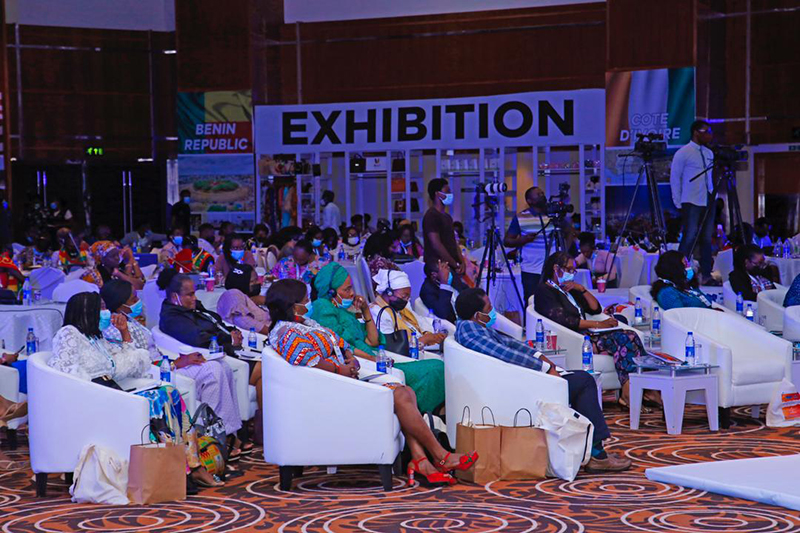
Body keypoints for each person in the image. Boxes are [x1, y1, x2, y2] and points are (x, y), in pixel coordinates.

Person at [267, 279, 476, 484]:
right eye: (306, 299)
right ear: (294, 306)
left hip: (345, 382)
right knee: (402, 395)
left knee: (405, 392)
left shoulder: (304, 323)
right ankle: (440, 456)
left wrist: (349, 358)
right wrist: (339, 369)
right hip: (331, 392)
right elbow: (306, 359)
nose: (309, 302)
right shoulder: (286, 332)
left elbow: (339, 343)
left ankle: (421, 459)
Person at [56, 289, 222, 488]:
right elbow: (66, 374)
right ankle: (178, 472)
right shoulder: (68, 334)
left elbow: (131, 365)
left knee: (169, 392)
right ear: (87, 310)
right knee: (157, 400)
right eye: (101, 308)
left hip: (113, 391)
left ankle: (191, 466)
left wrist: (125, 333)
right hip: (93, 398)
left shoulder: (96, 338)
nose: (106, 313)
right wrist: (98, 391)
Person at [454, 287, 631, 473]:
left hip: (519, 378)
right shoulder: (469, 330)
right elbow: (505, 354)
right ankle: (597, 455)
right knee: (584, 381)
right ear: (477, 315)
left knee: (580, 380)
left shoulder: (475, 327)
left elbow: (511, 345)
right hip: (517, 385)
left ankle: (590, 451)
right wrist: (545, 369)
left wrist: (540, 357)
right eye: (489, 307)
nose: (493, 311)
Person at [310, 262, 446, 414]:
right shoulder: (323, 307)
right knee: (434, 369)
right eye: (347, 289)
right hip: (365, 364)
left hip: (376, 359)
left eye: (352, 288)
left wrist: (365, 310)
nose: (352, 293)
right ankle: (422, 413)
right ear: (331, 292)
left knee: (437, 366)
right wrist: (371, 358)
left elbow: (373, 341)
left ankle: (430, 415)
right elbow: (340, 345)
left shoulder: (344, 310)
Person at [534, 252, 650, 407]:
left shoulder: (569, 289)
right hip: (577, 338)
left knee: (631, 335)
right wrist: (598, 325)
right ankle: (634, 392)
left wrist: (581, 289)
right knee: (625, 338)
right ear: (556, 268)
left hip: (591, 334)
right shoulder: (544, 291)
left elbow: (595, 309)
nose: (571, 274)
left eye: (574, 270)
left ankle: (639, 389)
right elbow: (566, 320)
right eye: (568, 269)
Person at [158, 271, 247, 446]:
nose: (194, 298)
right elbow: (197, 337)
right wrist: (227, 340)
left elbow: (213, 323)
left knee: (225, 368)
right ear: (175, 297)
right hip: (178, 363)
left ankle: (229, 432)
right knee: (214, 370)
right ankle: (213, 437)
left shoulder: (190, 308)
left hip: (206, 353)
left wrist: (230, 333)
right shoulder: (172, 316)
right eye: (189, 294)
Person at [670, 120, 716, 285]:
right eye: (706, 131)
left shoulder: (709, 153)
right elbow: (675, 178)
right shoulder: (683, 153)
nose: (709, 135)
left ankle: (706, 274)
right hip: (691, 200)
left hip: (708, 200)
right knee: (689, 237)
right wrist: (678, 202)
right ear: (696, 132)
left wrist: (713, 195)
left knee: (707, 238)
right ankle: (678, 273)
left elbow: (710, 177)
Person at [369, 269, 447, 348]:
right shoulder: (378, 312)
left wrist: (430, 335)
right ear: (389, 292)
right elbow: (391, 346)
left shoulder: (403, 308)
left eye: (408, 297)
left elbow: (421, 321)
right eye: (404, 296)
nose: (406, 300)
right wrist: (423, 340)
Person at [503, 186, 554, 303]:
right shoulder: (521, 217)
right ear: (529, 201)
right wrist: (523, 240)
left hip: (551, 268)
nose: (542, 195)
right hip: (531, 269)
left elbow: (569, 232)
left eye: (542, 193)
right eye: (538, 194)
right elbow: (507, 241)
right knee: (532, 301)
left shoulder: (552, 215)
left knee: (552, 301)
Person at [423, 178, 468, 290]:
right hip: (438, 265)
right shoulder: (431, 216)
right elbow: (436, 245)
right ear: (437, 194)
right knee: (461, 292)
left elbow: (453, 242)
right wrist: (454, 264)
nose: (450, 194)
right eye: (447, 191)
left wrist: (461, 262)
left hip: (451, 265)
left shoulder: (447, 217)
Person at [650, 251, 716, 310]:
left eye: (688, 264)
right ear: (674, 268)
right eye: (685, 264)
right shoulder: (667, 293)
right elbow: (680, 316)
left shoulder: (687, 286)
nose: (690, 268)